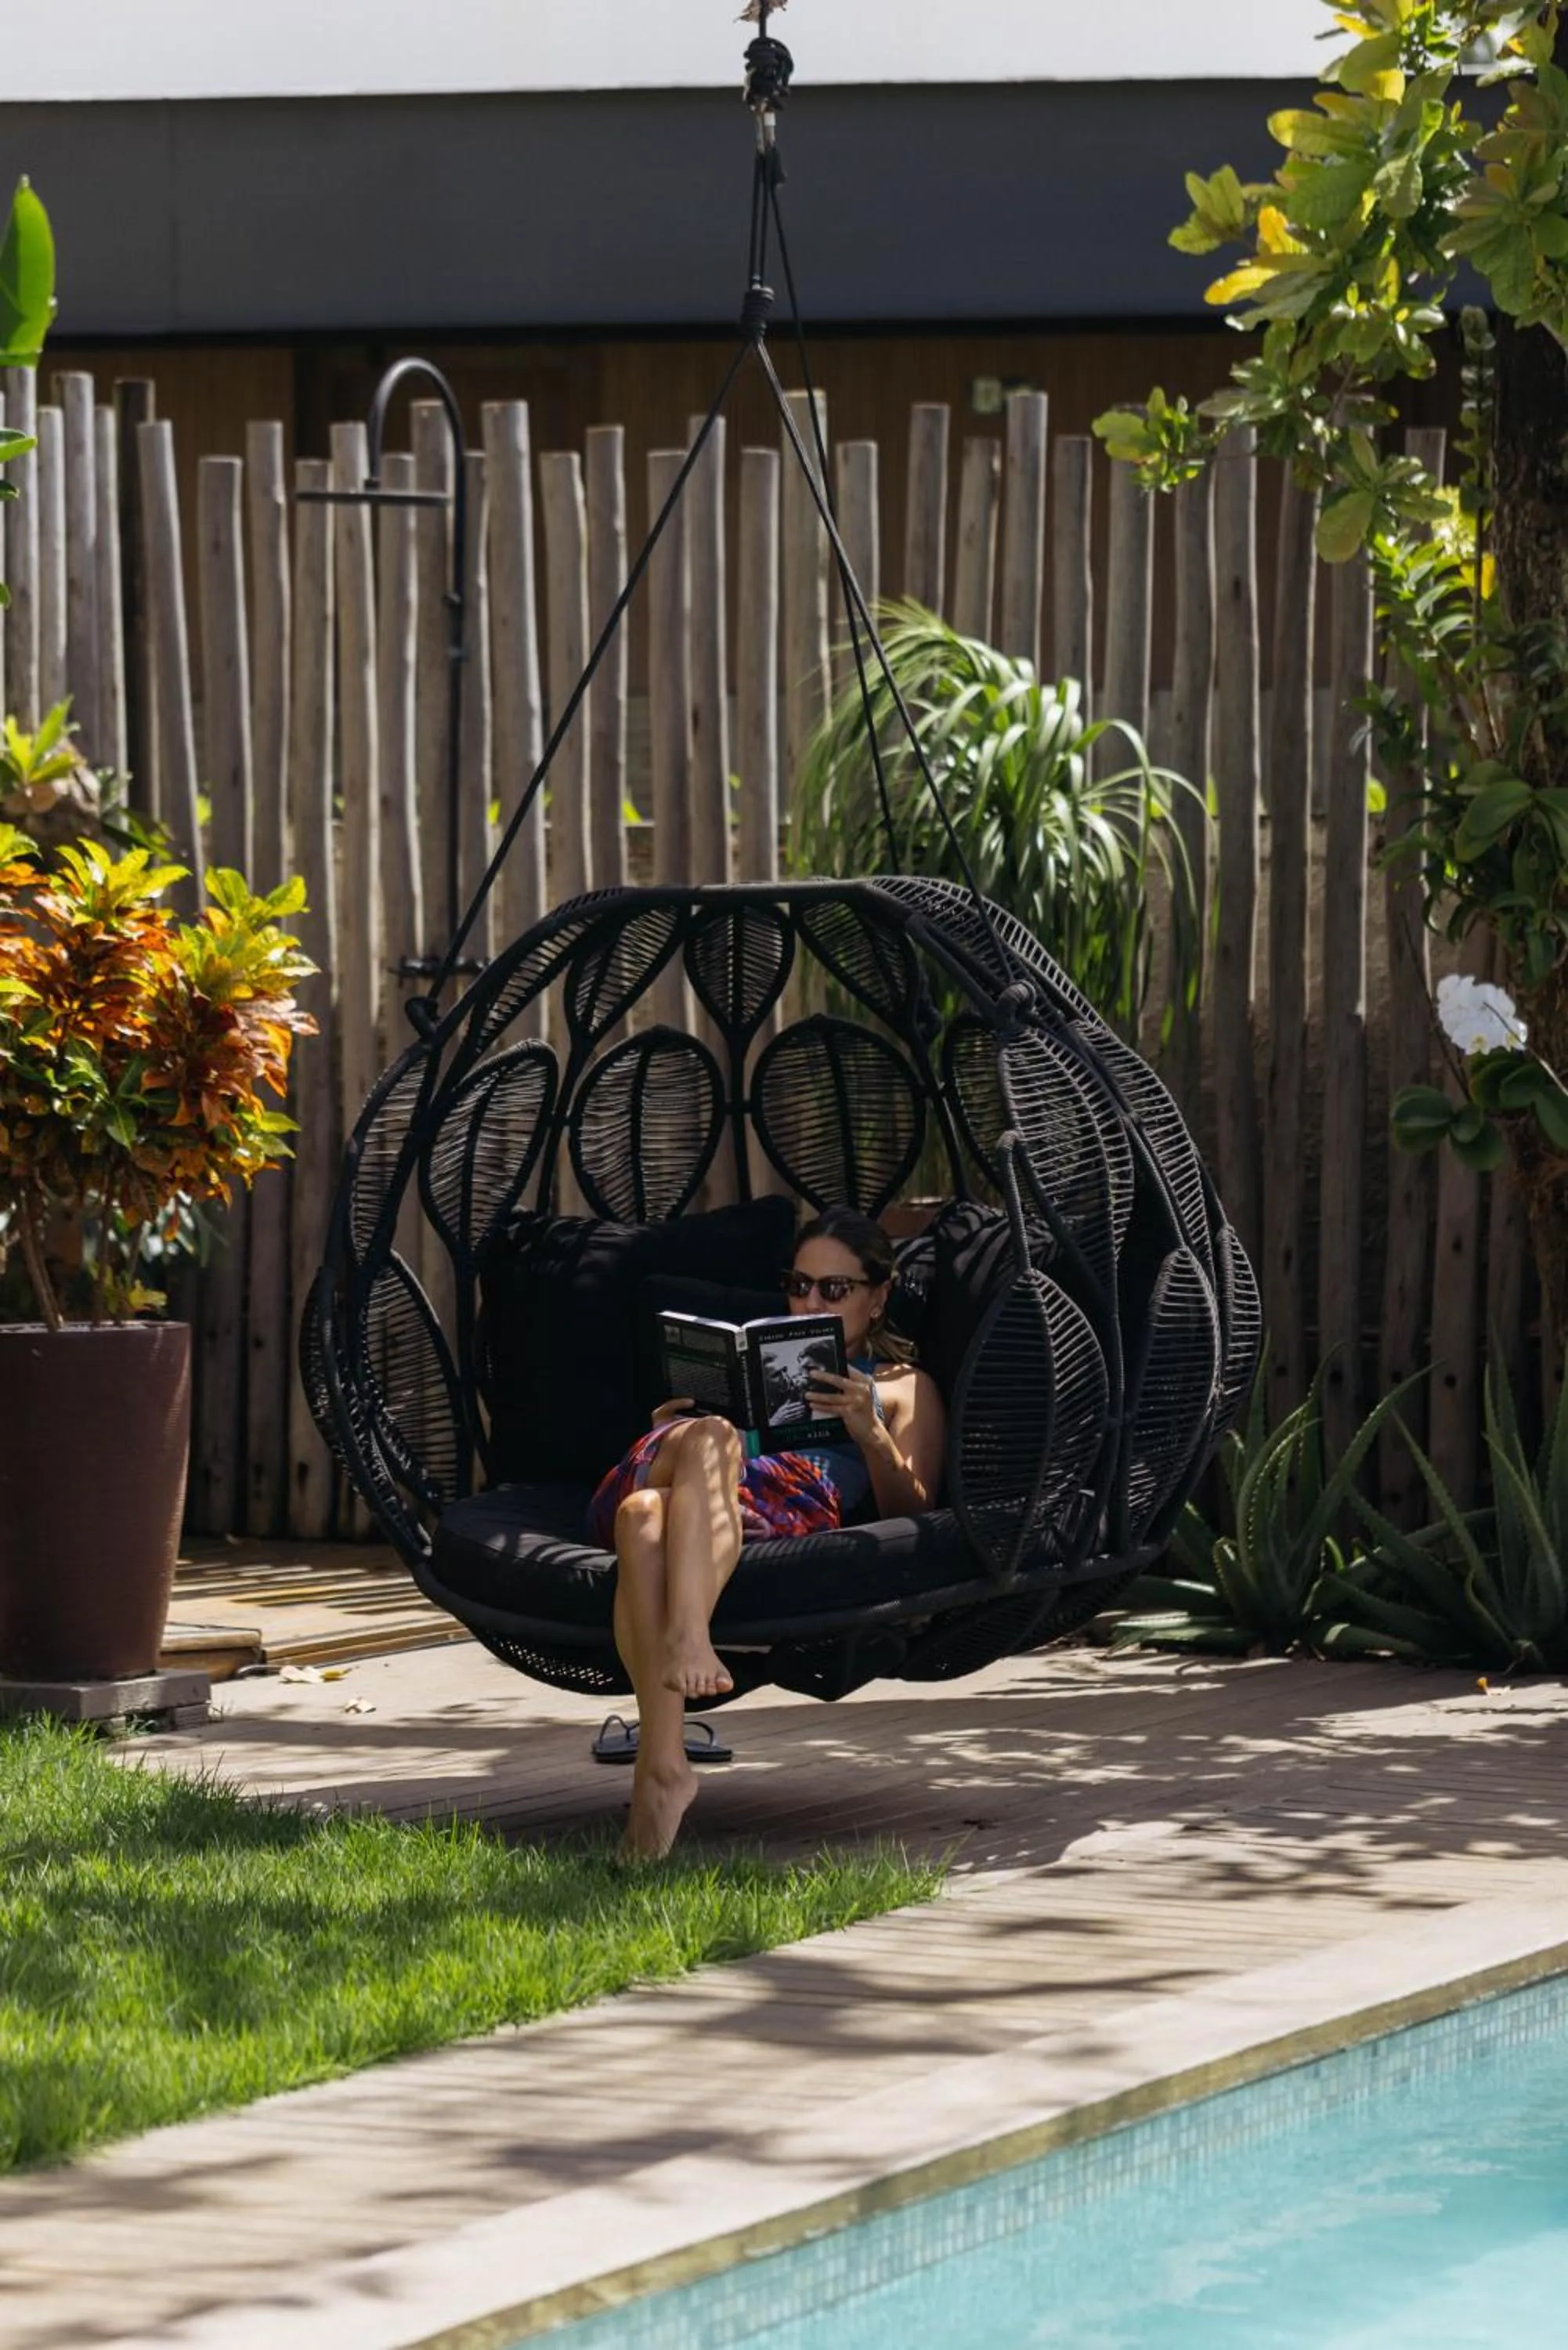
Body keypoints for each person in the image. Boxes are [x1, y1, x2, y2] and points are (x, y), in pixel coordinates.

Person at [587, 1206, 947, 1860]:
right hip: (691, 1466)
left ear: (879, 1297)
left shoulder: (902, 1388)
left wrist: (870, 1437)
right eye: (798, 1284)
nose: (809, 1300)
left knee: (643, 1518)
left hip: (768, 1508)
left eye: (833, 1290)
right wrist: (678, 1422)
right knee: (713, 1433)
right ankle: (691, 1641)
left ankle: (661, 1774)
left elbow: (916, 1512)